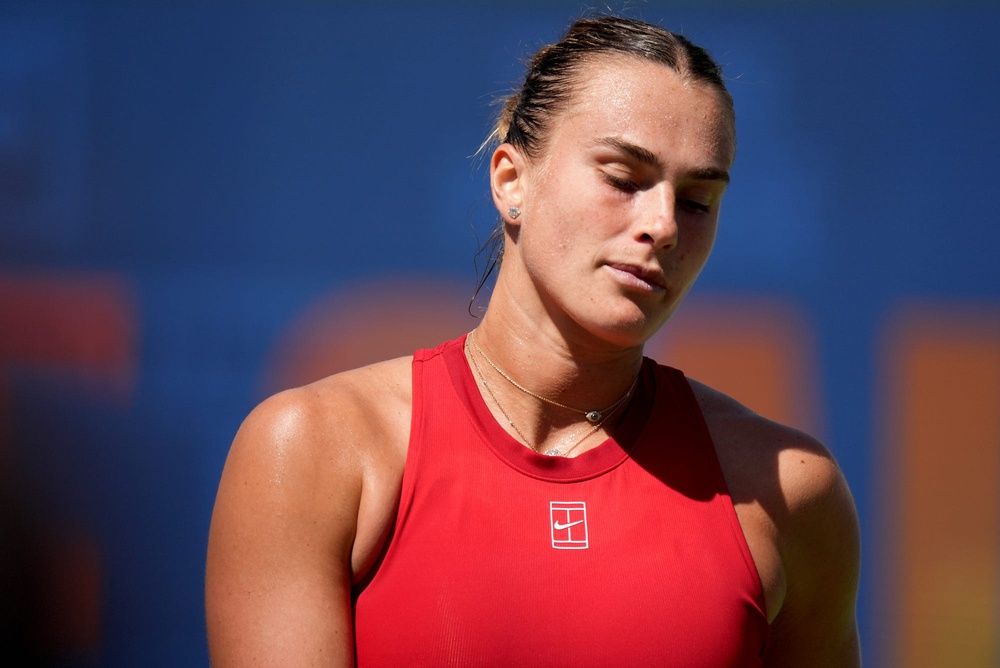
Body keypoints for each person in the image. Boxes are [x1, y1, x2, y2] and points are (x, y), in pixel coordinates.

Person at [205, 15, 860, 667]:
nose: (662, 225)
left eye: (696, 200)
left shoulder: (789, 492)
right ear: (511, 182)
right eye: (624, 177)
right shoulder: (313, 450)